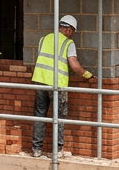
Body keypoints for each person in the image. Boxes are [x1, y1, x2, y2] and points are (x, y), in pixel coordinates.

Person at [31, 15, 93, 158]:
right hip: (57, 84)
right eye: (72, 32)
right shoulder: (68, 43)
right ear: (69, 30)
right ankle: (57, 151)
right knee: (59, 117)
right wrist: (86, 75)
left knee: (40, 115)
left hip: (40, 81)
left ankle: (36, 149)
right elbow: (74, 65)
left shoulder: (44, 39)